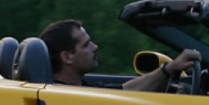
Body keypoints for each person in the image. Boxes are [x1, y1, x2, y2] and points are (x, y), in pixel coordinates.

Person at [39, 19, 200, 91]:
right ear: (67, 57)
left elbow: (124, 90)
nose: (95, 47)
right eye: (86, 45)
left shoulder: (78, 90)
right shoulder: (68, 99)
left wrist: (168, 69)